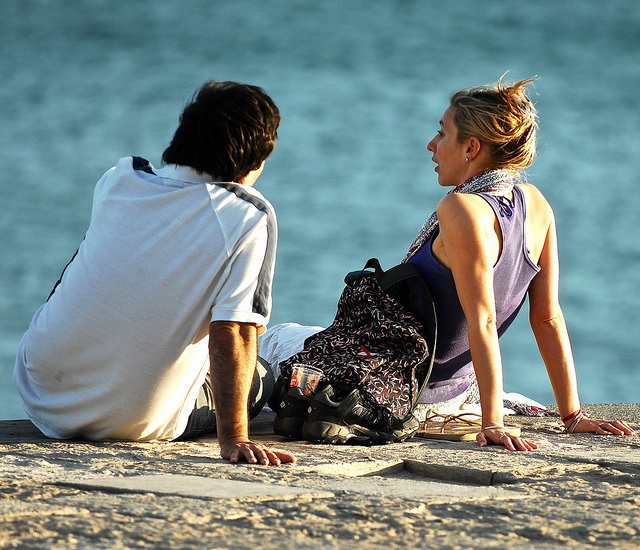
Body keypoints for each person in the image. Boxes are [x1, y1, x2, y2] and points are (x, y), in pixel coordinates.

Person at [261, 76, 635, 451]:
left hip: (407, 391)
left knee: (277, 337)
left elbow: (482, 319)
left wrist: (492, 423)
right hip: (458, 391)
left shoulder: (461, 209)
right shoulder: (536, 204)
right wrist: (573, 416)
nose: (431, 145)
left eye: (442, 133)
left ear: (471, 147)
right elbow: (547, 318)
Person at [14, 80, 295, 466]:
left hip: (42, 394)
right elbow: (234, 330)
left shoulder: (119, 178)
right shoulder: (248, 214)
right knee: (261, 374)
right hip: (133, 417)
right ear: (253, 161)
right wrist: (235, 439)